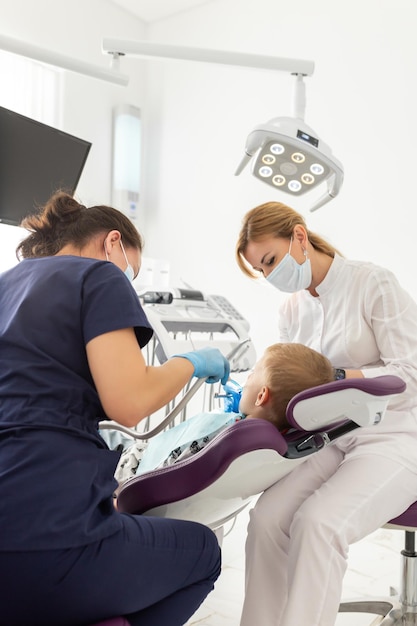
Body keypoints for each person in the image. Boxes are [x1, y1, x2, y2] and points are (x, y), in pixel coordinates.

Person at [0, 191, 231, 626]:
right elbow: (130, 403)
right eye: (132, 271)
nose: (128, 282)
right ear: (112, 244)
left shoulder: (6, 284)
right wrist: (191, 361)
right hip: (46, 535)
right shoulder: (98, 277)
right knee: (203, 551)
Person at [235, 200, 417, 626]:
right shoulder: (291, 310)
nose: (269, 275)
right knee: (265, 521)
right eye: (260, 270)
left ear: (299, 236)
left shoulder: (373, 283)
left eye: (270, 261)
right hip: (328, 439)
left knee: (319, 525)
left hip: (393, 435)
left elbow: (412, 372)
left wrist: (337, 376)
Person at [114, 342, 335, 486]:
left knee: (99, 432)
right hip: (137, 462)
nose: (247, 379)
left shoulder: (224, 430)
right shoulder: (263, 442)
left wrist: (120, 494)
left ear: (261, 397)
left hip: (130, 468)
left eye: (253, 374)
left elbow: (163, 467)